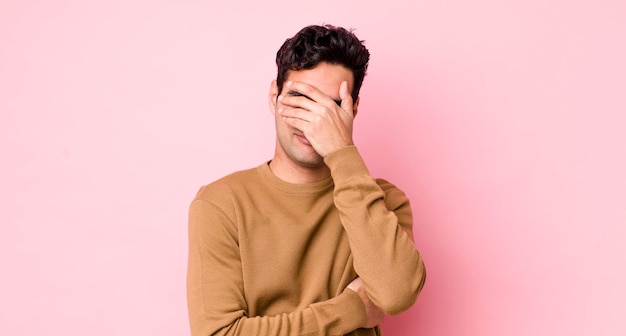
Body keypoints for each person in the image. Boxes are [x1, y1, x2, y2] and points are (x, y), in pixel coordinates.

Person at [187, 24, 426, 336]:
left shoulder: (383, 201)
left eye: (332, 106)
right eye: (300, 98)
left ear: (353, 109)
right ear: (275, 97)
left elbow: (397, 294)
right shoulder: (221, 204)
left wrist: (342, 151)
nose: (315, 120)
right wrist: (351, 309)